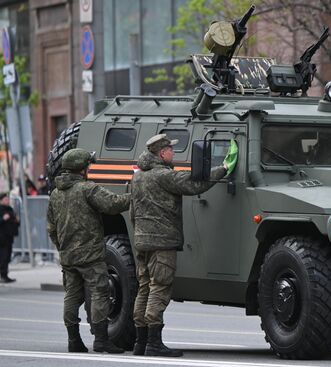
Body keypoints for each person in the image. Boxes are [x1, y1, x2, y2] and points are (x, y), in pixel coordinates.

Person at [130, 134, 237, 357]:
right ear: (161, 153)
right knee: (160, 287)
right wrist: (224, 168)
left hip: (142, 241)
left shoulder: (139, 177)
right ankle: (154, 343)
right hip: (162, 241)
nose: (174, 152)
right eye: (170, 149)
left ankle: (140, 343)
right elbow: (194, 184)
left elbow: (133, 211)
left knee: (144, 288)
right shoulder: (163, 175)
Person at [47, 148, 130, 354]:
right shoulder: (88, 189)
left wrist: (63, 247)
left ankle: (73, 340)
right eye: (87, 165)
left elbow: (51, 228)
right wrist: (136, 194)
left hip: (68, 255)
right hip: (90, 254)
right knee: (100, 292)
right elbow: (113, 204)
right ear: (81, 169)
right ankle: (101, 340)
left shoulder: (56, 194)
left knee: (72, 297)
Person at [0, 192, 19, 283]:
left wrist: (17, 221)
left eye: (8, 199)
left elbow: (14, 221)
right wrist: (3, 219)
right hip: (1, 238)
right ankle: (2, 275)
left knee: (7, 256)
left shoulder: (10, 209)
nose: (8, 201)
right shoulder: (0, 209)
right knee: (3, 257)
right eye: (5, 199)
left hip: (9, 237)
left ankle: (5, 275)